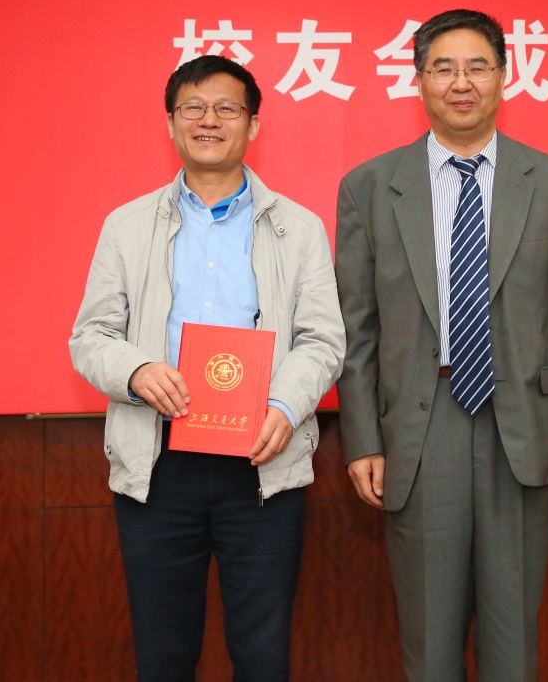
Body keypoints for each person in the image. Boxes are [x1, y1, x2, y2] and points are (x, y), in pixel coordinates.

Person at [335, 8, 548, 681]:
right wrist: (364, 440)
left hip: (523, 429)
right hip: (419, 430)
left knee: (513, 642)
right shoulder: (370, 187)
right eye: (443, 68)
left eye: (477, 66)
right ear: (419, 80)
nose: (461, 83)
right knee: (430, 643)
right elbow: (356, 329)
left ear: (503, 77)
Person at [69, 54, 344, 682]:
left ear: (254, 125)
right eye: (193, 107)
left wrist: (284, 406)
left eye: (227, 108)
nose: (209, 120)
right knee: (163, 656)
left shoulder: (299, 228)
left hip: (263, 462)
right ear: (170, 123)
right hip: (158, 463)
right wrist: (137, 370)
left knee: (263, 656)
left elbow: (323, 340)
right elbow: (91, 337)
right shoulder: (126, 226)